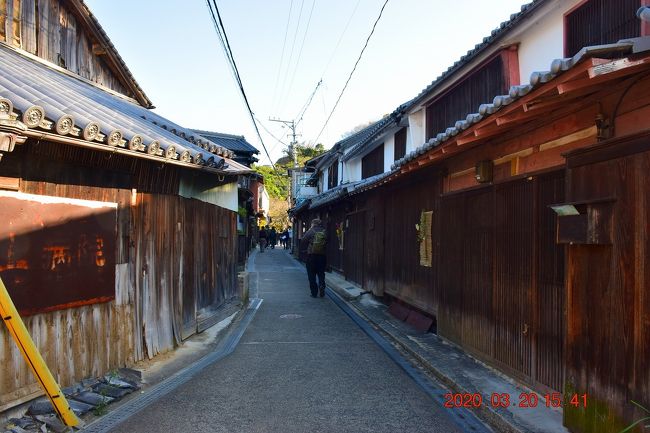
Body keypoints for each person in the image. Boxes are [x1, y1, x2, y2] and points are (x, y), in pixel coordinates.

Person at [300, 219, 327, 298]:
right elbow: (328, 240)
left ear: (313, 224)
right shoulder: (324, 231)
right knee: (321, 273)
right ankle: (321, 285)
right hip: (322, 256)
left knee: (311, 275)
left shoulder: (311, 231)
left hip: (311, 256)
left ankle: (314, 293)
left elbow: (303, 240)